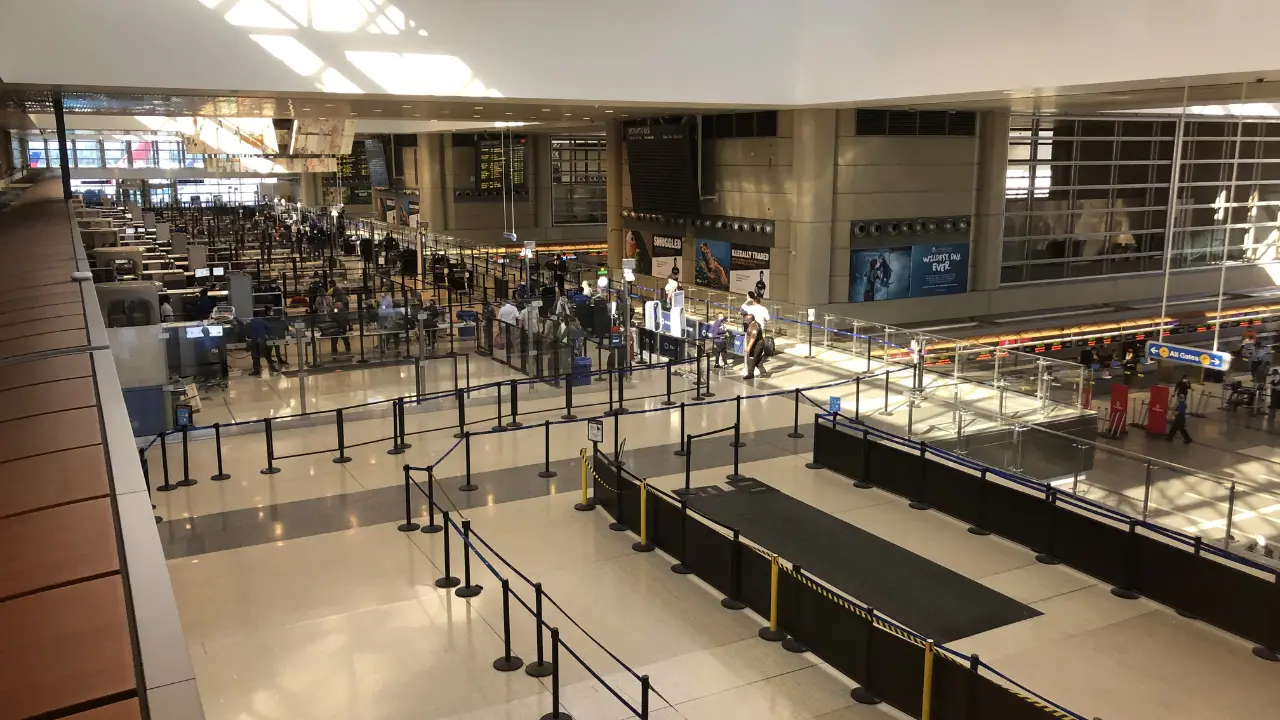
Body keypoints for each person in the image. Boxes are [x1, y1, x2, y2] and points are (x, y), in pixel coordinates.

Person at [246, 304, 278, 376]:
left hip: (254, 340)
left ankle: (256, 371)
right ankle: (273, 368)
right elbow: (269, 329)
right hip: (262, 339)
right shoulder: (264, 322)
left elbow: (246, 330)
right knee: (267, 355)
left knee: (255, 356)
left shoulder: (251, 322)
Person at [744, 313, 768, 380]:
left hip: (756, 345)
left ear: (751, 319)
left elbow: (753, 338)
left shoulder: (754, 326)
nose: (746, 320)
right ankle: (763, 372)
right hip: (756, 344)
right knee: (757, 359)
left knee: (751, 359)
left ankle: (750, 374)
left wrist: (749, 347)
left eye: (747, 319)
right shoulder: (752, 324)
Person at [330, 290, 351, 355]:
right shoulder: (343, 309)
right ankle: (348, 352)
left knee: (335, 341)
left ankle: (335, 354)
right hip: (340, 327)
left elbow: (331, 316)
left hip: (336, 327)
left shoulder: (335, 309)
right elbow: (347, 318)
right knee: (345, 340)